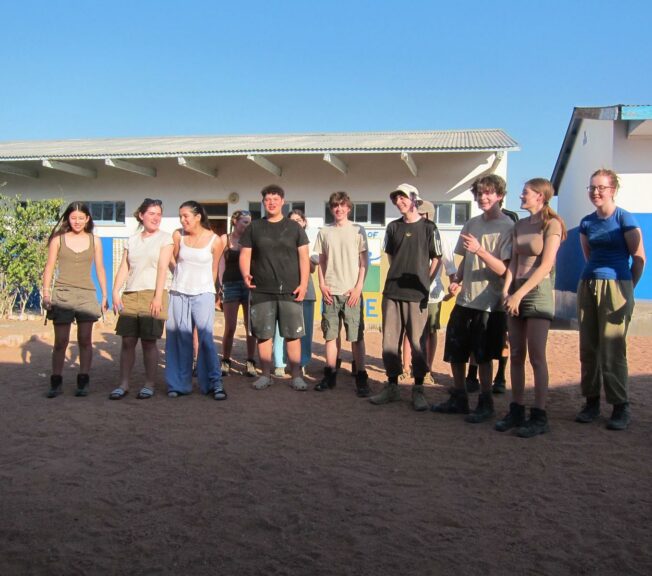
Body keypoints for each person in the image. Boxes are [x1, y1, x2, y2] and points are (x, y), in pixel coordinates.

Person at [432, 174, 514, 422]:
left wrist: (481, 250)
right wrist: (456, 279)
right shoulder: (471, 224)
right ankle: (459, 398)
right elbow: (466, 258)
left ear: (499, 195)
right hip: (465, 300)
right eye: (479, 193)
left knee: (483, 356)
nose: (482, 198)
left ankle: (486, 403)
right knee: (455, 351)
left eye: (488, 193)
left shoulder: (508, 227)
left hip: (490, 303)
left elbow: (506, 270)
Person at [575, 169, 646, 430]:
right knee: (588, 346)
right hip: (588, 283)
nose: (596, 192)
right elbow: (588, 255)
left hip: (617, 286)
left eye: (601, 187)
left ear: (613, 189)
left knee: (612, 348)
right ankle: (591, 401)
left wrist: (626, 289)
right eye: (592, 187)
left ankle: (620, 405)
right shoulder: (586, 222)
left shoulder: (624, 218)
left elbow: (639, 259)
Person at [495, 179, 566, 436]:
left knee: (536, 356)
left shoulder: (552, 224)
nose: (521, 195)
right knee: (515, 354)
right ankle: (516, 409)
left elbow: (546, 265)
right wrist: (507, 290)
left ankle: (539, 414)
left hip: (537, 292)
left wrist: (519, 294)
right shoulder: (519, 225)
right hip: (517, 292)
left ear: (540, 196)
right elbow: (514, 261)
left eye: (525, 192)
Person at [370, 183, 441, 411]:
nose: (399, 202)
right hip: (392, 293)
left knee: (418, 343)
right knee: (389, 343)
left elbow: (436, 258)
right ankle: (391, 386)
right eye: (395, 199)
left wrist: (426, 283)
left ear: (414, 199)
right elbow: (391, 256)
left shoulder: (430, 227)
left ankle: (418, 389)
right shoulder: (392, 227)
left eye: (402, 198)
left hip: (417, 295)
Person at [240, 185, 310, 391]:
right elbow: (245, 254)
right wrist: (245, 273)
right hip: (261, 289)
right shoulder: (254, 227)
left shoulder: (294, 227)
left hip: (290, 289)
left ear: (283, 201)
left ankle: (296, 375)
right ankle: (265, 375)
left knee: (293, 334)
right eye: (267, 199)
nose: (271, 202)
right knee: (263, 334)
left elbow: (304, 257)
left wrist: (304, 284)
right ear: (263, 202)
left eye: (275, 199)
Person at [109, 198, 174, 400]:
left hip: (153, 294)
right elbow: (124, 267)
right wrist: (115, 291)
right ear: (141, 215)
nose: (156, 218)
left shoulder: (165, 238)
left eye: (159, 214)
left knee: (148, 341)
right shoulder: (133, 239)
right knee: (127, 340)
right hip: (131, 293)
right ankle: (124, 384)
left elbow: (163, 267)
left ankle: (149, 383)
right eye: (152, 213)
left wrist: (157, 297)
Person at [42, 202, 108, 398]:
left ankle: (83, 380)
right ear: (67, 219)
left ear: (87, 219)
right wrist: (46, 293)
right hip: (62, 293)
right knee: (60, 341)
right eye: (73, 218)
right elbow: (49, 267)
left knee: (85, 340)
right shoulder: (58, 240)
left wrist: (104, 294)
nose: (77, 221)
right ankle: (56, 381)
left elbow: (100, 268)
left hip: (86, 294)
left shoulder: (94, 240)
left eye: (81, 218)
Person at [165, 201, 226, 399]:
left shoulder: (215, 240)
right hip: (178, 292)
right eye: (180, 216)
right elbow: (172, 259)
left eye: (186, 216)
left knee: (206, 339)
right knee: (180, 338)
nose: (183, 220)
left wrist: (214, 292)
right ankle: (179, 384)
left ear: (198, 216)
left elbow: (214, 269)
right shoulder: (177, 236)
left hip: (204, 293)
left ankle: (214, 383)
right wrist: (179, 276)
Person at [314, 191, 370, 396]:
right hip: (331, 291)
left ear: (348, 208)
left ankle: (361, 376)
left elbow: (364, 263)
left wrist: (358, 288)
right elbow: (321, 261)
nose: (338, 209)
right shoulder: (324, 232)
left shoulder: (358, 230)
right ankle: (330, 374)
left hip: (351, 292)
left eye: (342, 205)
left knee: (356, 336)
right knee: (330, 334)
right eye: (335, 205)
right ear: (331, 209)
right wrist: (322, 284)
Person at [400, 201, 457, 386]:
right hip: (409, 291)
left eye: (420, 212)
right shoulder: (407, 232)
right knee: (409, 330)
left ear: (428, 215)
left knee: (431, 331)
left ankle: (427, 369)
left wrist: (454, 283)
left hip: (432, 294)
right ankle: (406, 367)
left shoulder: (441, 237)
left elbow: (449, 266)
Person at [271, 208, 317, 377]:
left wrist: (305, 257)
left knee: (304, 330)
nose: (296, 223)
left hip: (307, 291)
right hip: (284, 290)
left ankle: (301, 362)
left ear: (304, 222)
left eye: (299, 220)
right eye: (292, 220)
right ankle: (280, 363)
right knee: (280, 329)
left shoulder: (311, 241)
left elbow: (312, 268)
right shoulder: (280, 239)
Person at [218, 209, 257, 377]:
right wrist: (219, 284)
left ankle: (250, 361)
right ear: (235, 221)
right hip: (230, 284)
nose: (248, 225)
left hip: (249, 285)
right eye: (245, 222)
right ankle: (226, 360)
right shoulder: (224, 239)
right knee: (230, 326)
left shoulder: (252, 240)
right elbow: (220, 263)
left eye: (249, 222)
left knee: (251, 327)